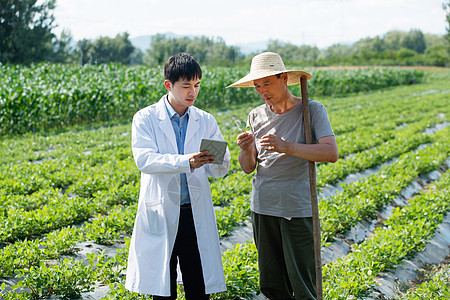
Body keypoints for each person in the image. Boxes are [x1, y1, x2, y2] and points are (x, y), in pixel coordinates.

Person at [229, 52, 338, 300]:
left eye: (267, 82)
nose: (261, 90)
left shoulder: (311, 110)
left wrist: (287, 146)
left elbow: (331, 153)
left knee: (302, 283)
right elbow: (248, 167)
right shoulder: (255, 115)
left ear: (284, 78)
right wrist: (246, 149)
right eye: (257, 86)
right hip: (263, 206)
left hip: (296, 209)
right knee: (272, 283)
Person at [125, 52, 230, 299]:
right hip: (160, 212)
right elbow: (145, 159)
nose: (192, 92)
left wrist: (216, 159)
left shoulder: (205, 120)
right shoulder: (146, 118)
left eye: (197, 85)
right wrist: (186, 162)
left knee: (198, 286)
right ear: (168, 85)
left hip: (194, 213)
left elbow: (220, 169)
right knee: (164, 289)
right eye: (186, 86)